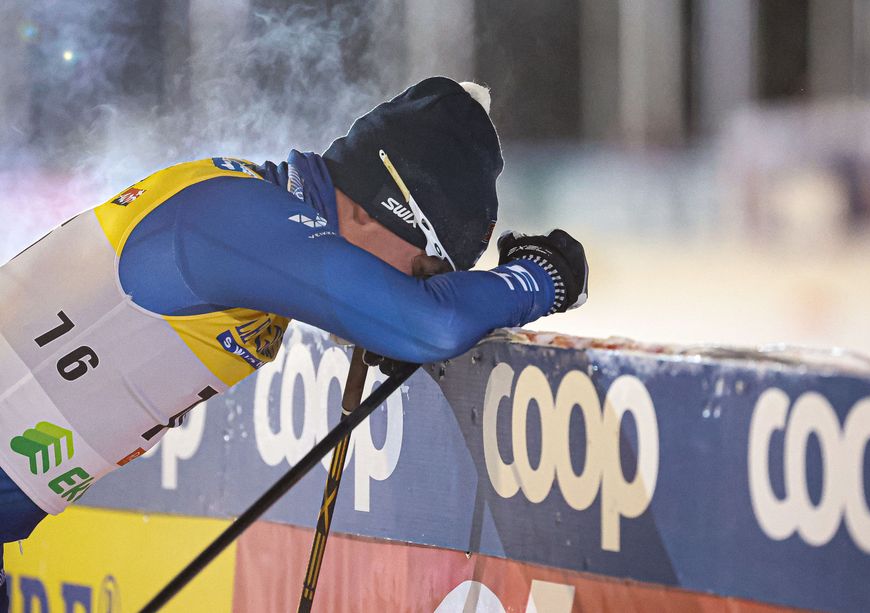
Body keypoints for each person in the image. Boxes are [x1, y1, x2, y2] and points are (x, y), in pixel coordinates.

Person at [0, 76, 588, 609]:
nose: (418, 286)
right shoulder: (236, 216)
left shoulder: (254, 226)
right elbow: (428, 324)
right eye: (428, 268)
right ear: (373, 211)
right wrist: (541, 278)